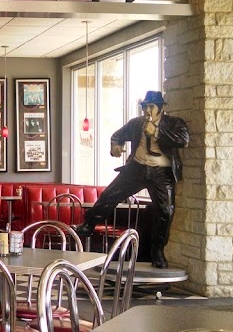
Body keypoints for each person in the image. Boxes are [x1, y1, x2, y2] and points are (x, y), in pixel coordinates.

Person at [74, 91, 189, 268]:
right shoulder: (136, 123)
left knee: (166, 212)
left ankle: (157, 251)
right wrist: (116, 146)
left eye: (151, 107)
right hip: (137, 168)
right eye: (145, 107)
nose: (147, 111)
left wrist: (157, 132)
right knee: (110, 195)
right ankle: (88, 225)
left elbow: (183, 140)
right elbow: (117, 135)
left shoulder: (174, 123)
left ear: (161, 108)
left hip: (161, 173)